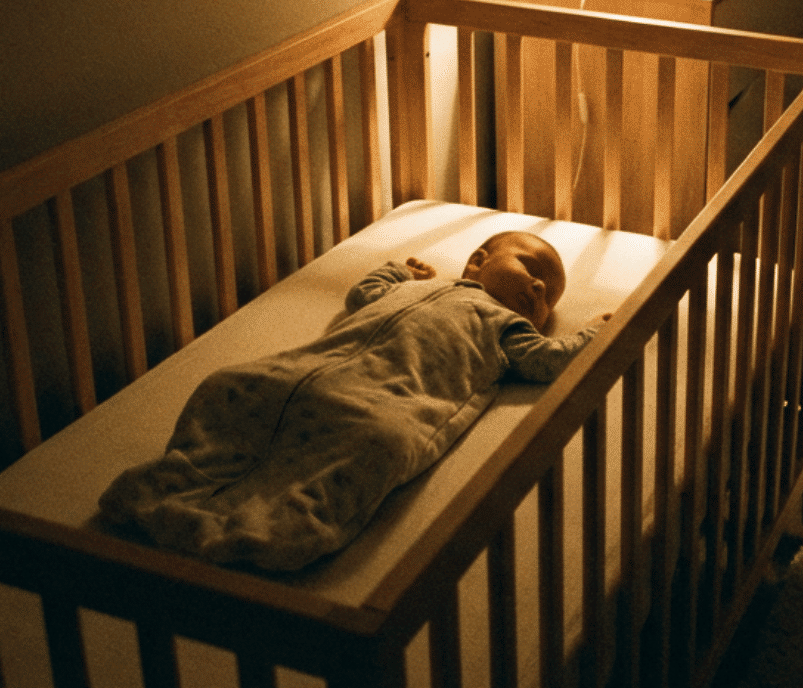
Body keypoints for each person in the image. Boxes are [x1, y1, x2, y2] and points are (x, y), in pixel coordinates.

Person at [99, 230, 605, 569]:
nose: (540, 287)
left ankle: (283, 526)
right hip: (302, 376)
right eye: (531, 267)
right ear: (478, 262)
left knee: (379, 442)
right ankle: (174, 479)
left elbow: (546, 362)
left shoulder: (506, 327)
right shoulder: (405, 291)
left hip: (379, 403)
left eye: (549, 295)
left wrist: (596, 333)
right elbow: (362, 294)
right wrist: (401, 273)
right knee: (227, 385)